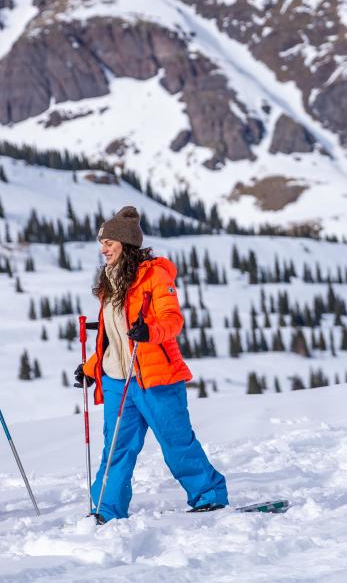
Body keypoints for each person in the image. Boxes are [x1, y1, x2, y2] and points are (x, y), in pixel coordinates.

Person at [73, 206, 228, 522]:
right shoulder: (110, 281)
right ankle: (105, 508)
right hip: (118, 380)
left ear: (126, 243)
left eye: (109, 242)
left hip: (156, 379)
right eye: (102, 243)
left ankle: (208, 496)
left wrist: (149, 331)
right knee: (116, 450)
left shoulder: (155, 275)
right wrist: (91, 368)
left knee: (176, 442)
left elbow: (173, 320)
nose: (103, 249)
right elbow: (111, 336)